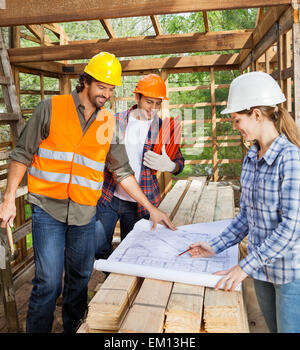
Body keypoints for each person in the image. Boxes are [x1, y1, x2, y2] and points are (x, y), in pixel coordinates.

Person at [0, 52, 176, 333]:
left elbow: (123, 173)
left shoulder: (109, 124)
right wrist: (8, 200)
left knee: (80, 278)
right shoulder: (50, 108)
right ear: (85, 82)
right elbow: (22, 154)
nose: (106, 94)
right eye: (101, 87)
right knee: (48, 282)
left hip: (84, 211)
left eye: (111, 89)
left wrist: (151, 208)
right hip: (48, 209)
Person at [188, 71, 300, 333]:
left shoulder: (291, 159)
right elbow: (245, 217)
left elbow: (291, 229)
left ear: (257, 115)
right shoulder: (251, 157)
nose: (236, 126)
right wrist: (214, 246)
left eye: (238, 119)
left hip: (290, 274)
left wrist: (243, 267)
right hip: (262, 272)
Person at [95, 73, 184, 259]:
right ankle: (111, 274)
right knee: (97, 246)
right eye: (149, 102)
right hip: (108, 196)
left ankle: (120, 277)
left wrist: (169, 166)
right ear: (137, 98)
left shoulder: (163, 129)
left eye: (158, 104)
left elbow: (179, 164)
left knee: (133, 252)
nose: (153, 109)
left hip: (139, 203)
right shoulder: (115, 121)